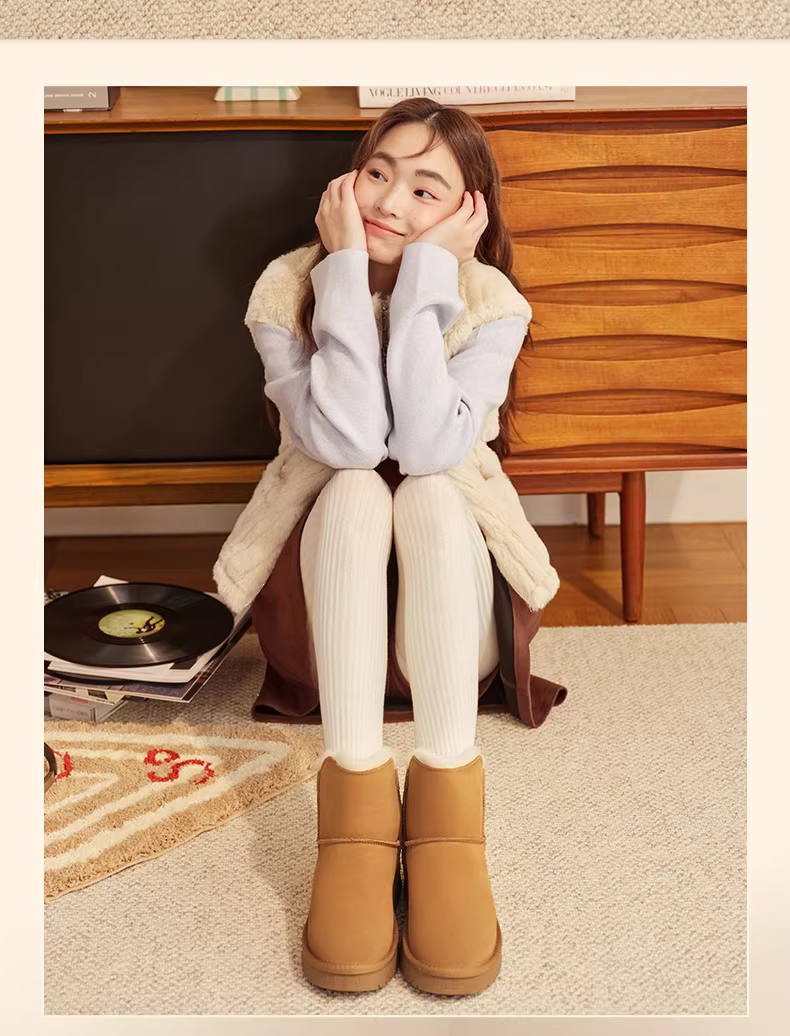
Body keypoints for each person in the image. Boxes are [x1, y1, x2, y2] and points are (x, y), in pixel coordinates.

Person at [213, 98, 565, 996]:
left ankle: (448, 819)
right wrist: (341, 275)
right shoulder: (285, 288)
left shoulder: (491, 302)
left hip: (452, 631)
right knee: (356, 485)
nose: (388, 201)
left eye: (424, 188)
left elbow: (429, 445)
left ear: (468, 211)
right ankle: (355, 810)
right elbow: (351, 441)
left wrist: (423, 288)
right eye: (378, 172)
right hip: (324, 633)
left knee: (432, 490)